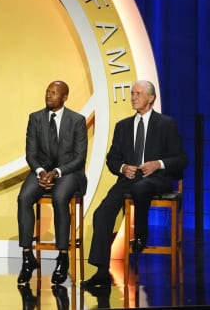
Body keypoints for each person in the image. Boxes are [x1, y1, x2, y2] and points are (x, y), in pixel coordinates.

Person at [81, 80, 188, 288]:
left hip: (156, 179)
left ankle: (140, 235)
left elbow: (182, 159)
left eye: (138, 94)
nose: (133, 97)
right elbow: (112, 159)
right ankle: (102, 272)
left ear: (151, 98)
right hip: (128, 180)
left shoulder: (166, 124)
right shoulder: (123, 126)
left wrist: (158, 164)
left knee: (142, 188)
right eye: (132, 94)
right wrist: (123, 168)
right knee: (101, 213)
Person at [16, 80, 88, 285]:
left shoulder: (77, 120)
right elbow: (30, 154)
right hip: (41, 171)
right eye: (47, 92)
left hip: (69, 172)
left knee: (59, 197)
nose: (49, 95)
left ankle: (62, 256)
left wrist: (56, 172)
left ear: (64, 97)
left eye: (54, 93)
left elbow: (79, 158)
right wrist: (41, 172)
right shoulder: (35, 118)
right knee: (24, 197)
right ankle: (27, 256)